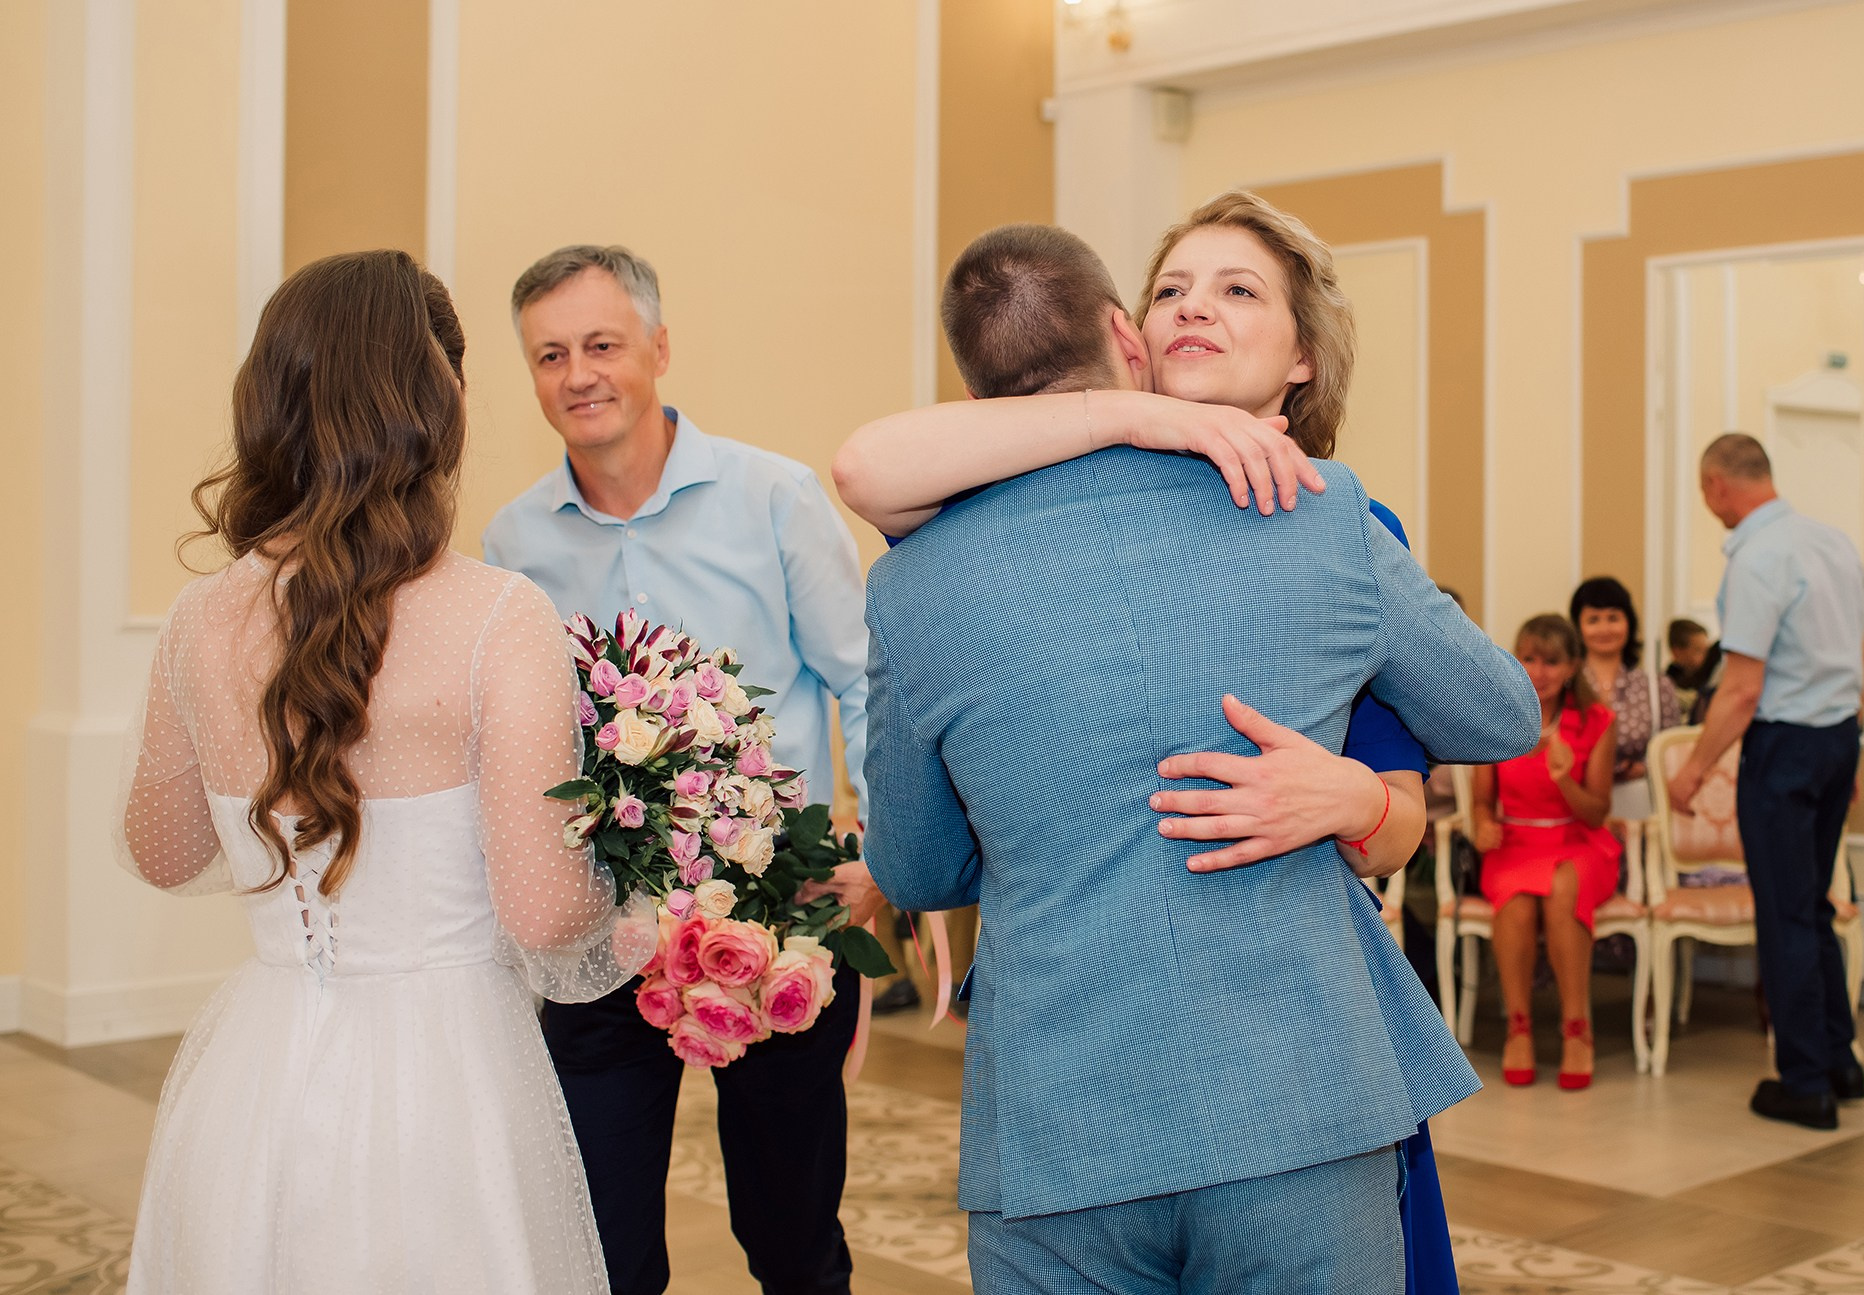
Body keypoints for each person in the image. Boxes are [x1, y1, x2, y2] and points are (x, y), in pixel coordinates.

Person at [859, 220, 1539, 1292]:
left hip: (1063, 1110)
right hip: (1296, 1092)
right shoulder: (1326, 518)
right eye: (1173, 287)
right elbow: (1501, 718)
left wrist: (1353, 794)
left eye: (1234, 290)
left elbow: (917, 867)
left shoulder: (914, 575)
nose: (1194, 309)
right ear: (1127, 338)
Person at [115, 250, 640, 1293]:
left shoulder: (199, 617)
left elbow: (164, 852)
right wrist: (643, 902)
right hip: (447, 1080)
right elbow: (540, 912)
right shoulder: (496, 615)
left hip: (256, 1073)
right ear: (438, 397)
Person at [482, 244, 878, 1294]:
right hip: (603, 932)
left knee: (791, 1235)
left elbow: (866, 679)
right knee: (602, 1245)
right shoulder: (512, 541)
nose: (578, 374)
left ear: (659, 346)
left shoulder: (776, 497)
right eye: (550, 354)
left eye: (602, 344)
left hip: (776, 916)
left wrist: (878, 850)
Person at [1666, 433, 1864, 1131]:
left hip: (1784, 747)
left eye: (1703, 492)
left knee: (1783, 913)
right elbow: (1859, 653)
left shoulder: (1758, 555)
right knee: (1812, 905)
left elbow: (1743, 688)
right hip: (1839, 736)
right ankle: (1842, 1060)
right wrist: (1852, 756)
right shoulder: (1833, 541)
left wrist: (1694, 770)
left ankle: (1805, 1081)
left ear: (1719, 484)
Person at [1468, 614, 1620, 1090]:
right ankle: (1519, 1027)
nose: (1538, 671)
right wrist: (1482, 824)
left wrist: (1564, 779)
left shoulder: (1597, 721)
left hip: (1578, 840)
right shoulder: (1498, 716)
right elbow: (1480, 800)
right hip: (1516, 842)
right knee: (1514, 902)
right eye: (1529, 658)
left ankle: (1577, 1028)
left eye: (1551, 662)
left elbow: (1596, 813)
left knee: (1562, 887)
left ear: (1573, 666)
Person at [1570, 577, 1679, 821]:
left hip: (1640, 811)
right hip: (1576, 811)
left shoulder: (1656, 687)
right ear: (1578, 627)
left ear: (1629, 623)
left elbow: (1673, 752)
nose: (1604, 629)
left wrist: (1645, 769)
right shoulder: (1567, 687)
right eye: (1593, 620)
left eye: (1613, 618)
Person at [1666, 618, 1713, 720]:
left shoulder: (1709, 679)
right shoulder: (1667, 686)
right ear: (1677, 652)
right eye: (1698, 651)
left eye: (1707, 650)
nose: (1706, 657)